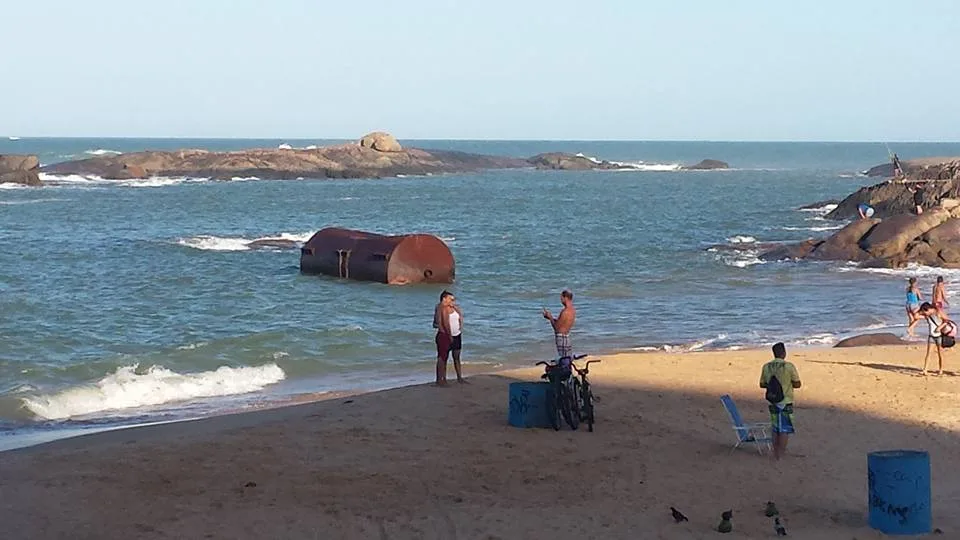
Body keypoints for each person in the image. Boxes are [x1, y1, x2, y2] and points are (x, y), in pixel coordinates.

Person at [759, 342, 802, 460]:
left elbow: (762, 384)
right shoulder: (788, 366)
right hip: (785, 400)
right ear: (784, 353)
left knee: (775, 427)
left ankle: (775, 450)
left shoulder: (766, 366)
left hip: (772, 399)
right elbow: (797, 383)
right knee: (784, 429)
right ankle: (780, 454)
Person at [433, 291, 466, 386]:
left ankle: (459, 377)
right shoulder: (440, 308)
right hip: (445, 335)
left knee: (456, 356)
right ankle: (441, 380)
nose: (453, 301)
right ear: (444, 299)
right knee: (443, 358)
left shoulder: (454, 307)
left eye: (453, 299)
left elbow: (460, 316)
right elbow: (442, 323)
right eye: (451, 299)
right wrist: (449, 335)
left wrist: (454, 307)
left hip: (457, 335)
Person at [542, 289, 576, 367]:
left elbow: (557, 328)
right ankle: (567, 375)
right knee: (567, 359)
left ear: (566, 298)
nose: (561, 300)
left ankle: (565, 376)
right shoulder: (572, 310)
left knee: (564, 359)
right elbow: (562, 323)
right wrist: (551, 318)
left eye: (561, 298)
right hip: (566, 336)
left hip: (562, 337)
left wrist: (550, 317)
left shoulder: (565, 311)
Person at [920, 302, 950, 376]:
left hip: (939, 336)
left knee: (940, 354)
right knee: (929, 353)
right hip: (931, 336)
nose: (924, 314)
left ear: (928, 309)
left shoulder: (938, 312)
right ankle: (925, 370)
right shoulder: (927, 315)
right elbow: (916, 315)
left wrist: (940, 327)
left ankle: (940, 370)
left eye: (924, 312)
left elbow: (947, 320)